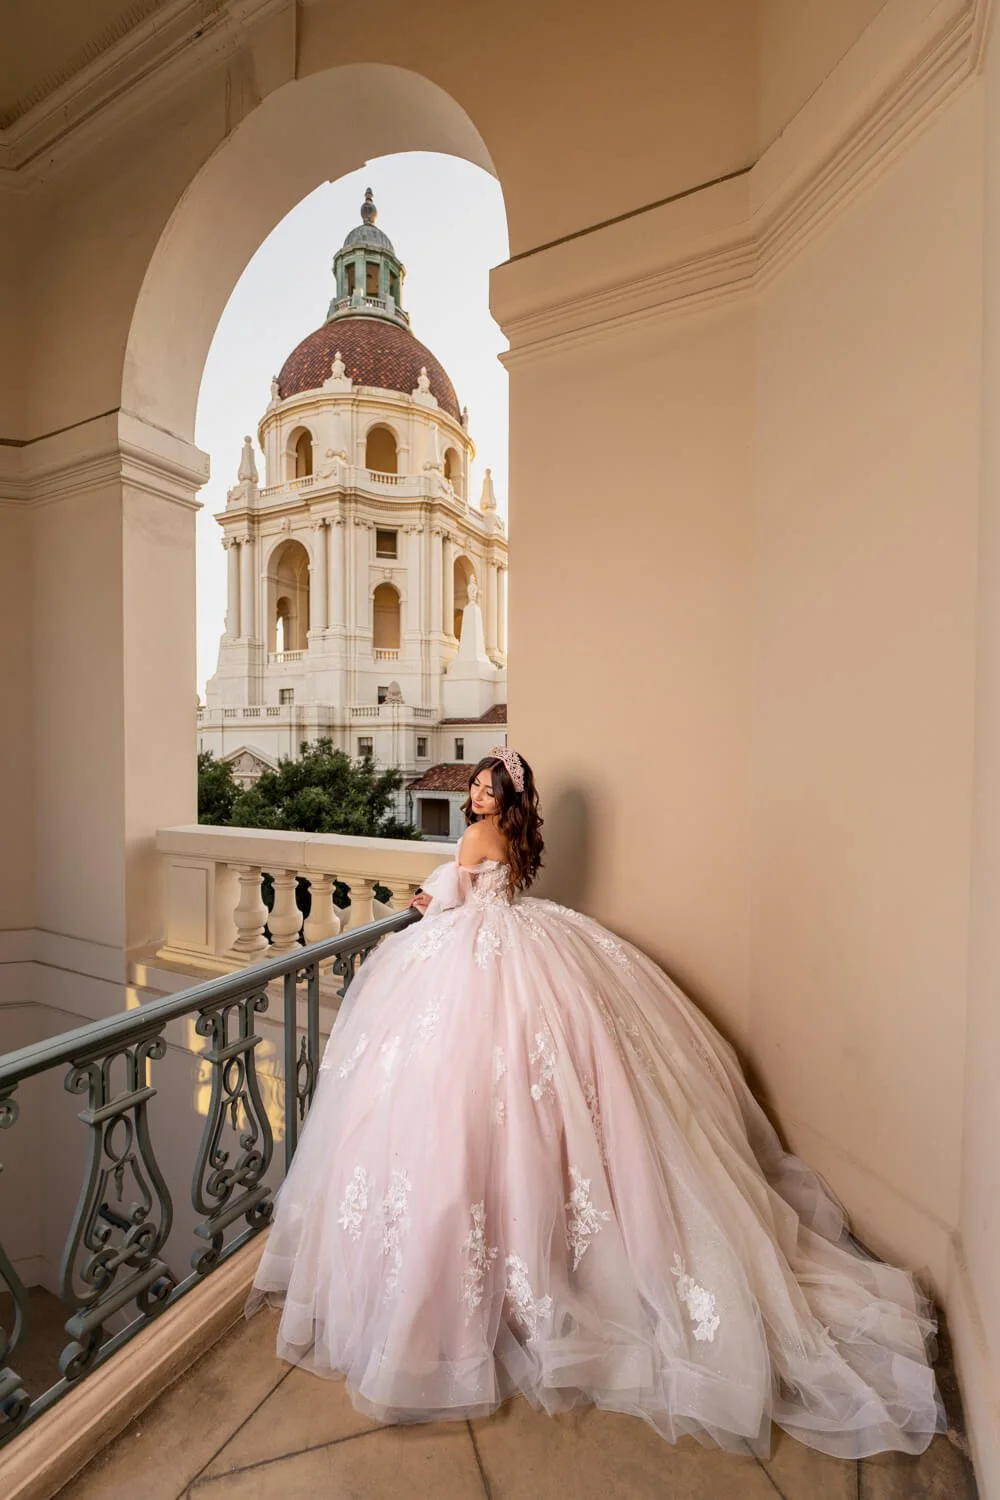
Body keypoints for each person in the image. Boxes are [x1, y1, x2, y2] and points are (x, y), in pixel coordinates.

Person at [248, 747, 943, 1459]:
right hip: (520, 940)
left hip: (473, 956)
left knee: (450, 1108)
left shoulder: (474, 838)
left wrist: (422, 903)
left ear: (503, 800)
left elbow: (453, 896)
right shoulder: (514, 842)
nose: (479, 795)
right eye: (478, 788)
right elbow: (486, 885)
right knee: (536, 1103)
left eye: (488, 789)